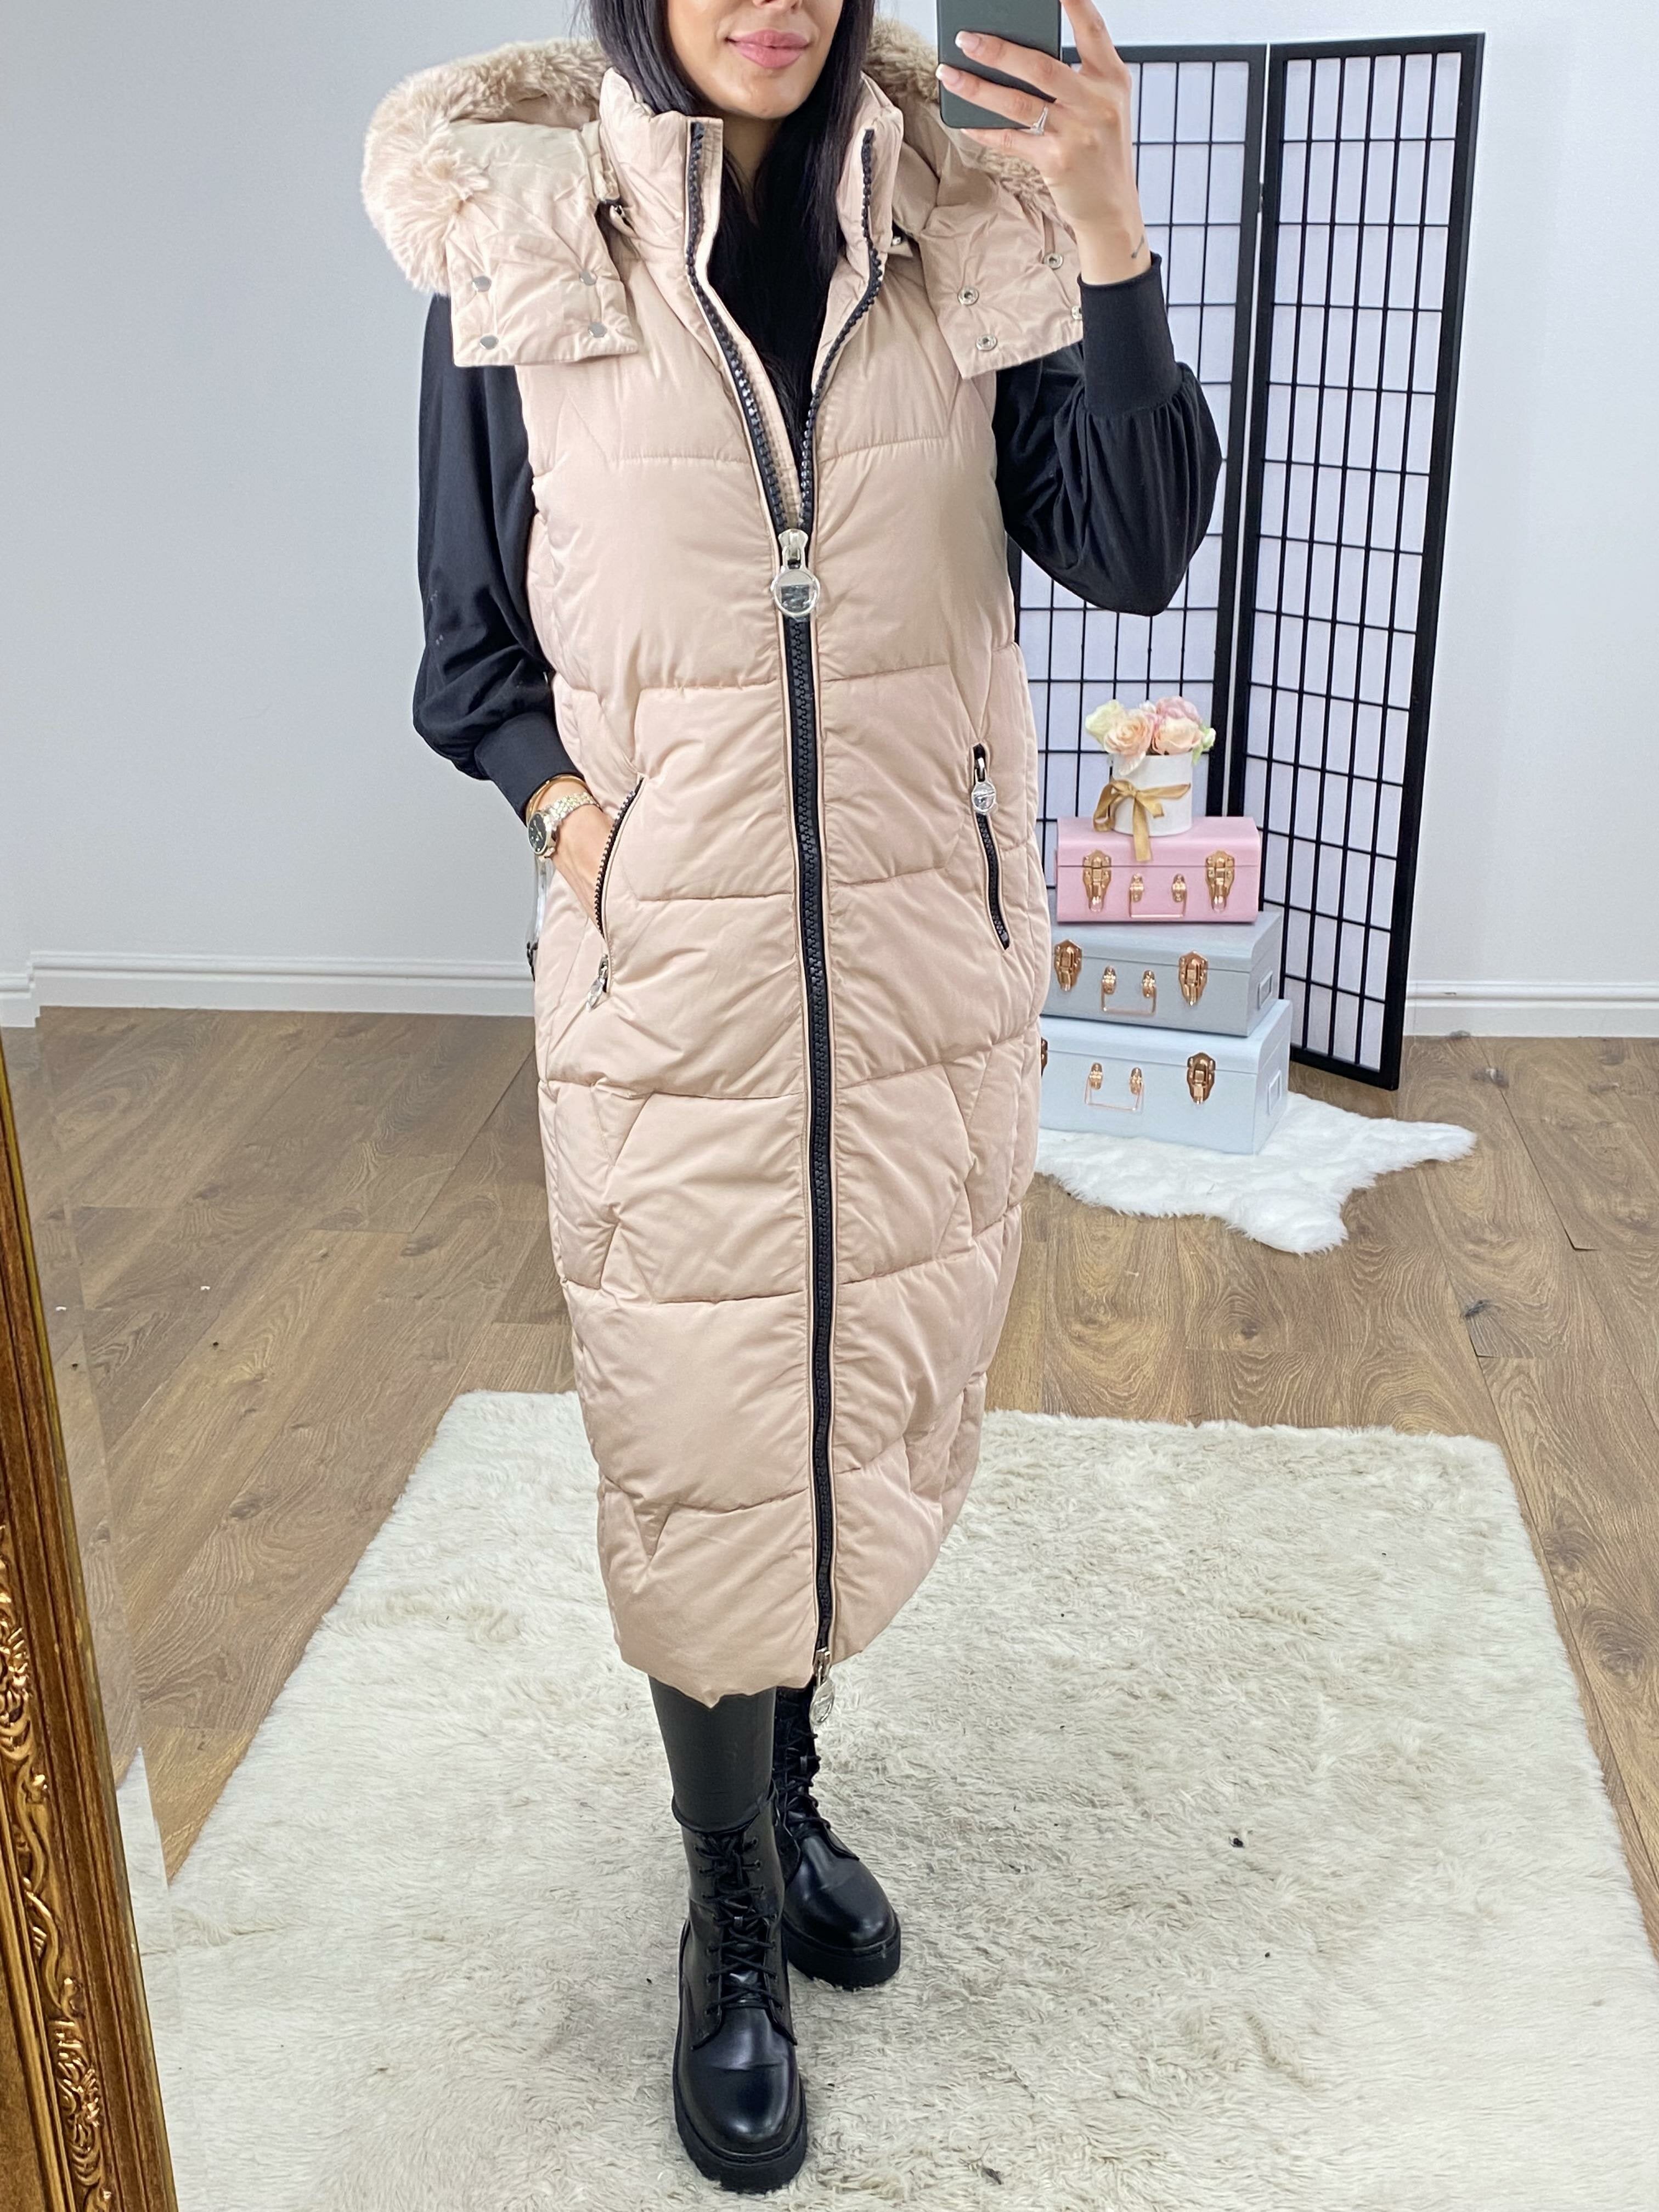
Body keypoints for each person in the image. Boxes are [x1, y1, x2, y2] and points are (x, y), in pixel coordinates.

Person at [365, 0, 1220, 2187]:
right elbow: (471, 649)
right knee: (704, 1437)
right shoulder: (523, 231)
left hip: (923, 966)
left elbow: (1130, 548)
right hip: (673, 976)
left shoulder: (962, 214)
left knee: (851, 1404)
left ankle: (795, 1787)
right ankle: (726, 1909)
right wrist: (584, 830)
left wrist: (1104, 219)